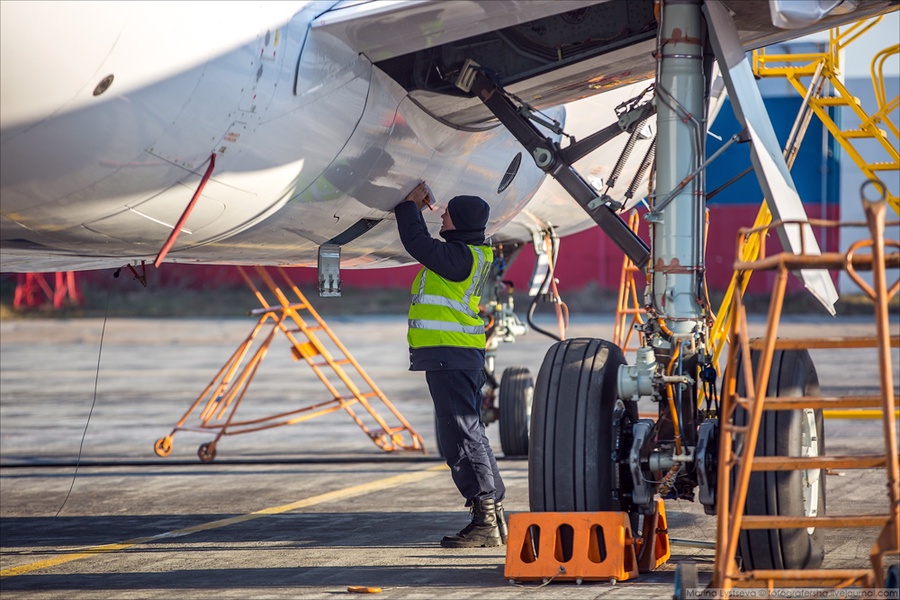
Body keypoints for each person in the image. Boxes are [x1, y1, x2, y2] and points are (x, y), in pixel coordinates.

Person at [394, 181, 507, 548]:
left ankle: (485, 520)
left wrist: (408, 206)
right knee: (469, 432)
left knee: (460, 434)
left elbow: (416, 243)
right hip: (457, 354)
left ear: (457, 222)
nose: (441, 214)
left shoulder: (459, 259)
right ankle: (494, 513)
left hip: (450, 354)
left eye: (446, 212)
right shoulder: (469, 254)